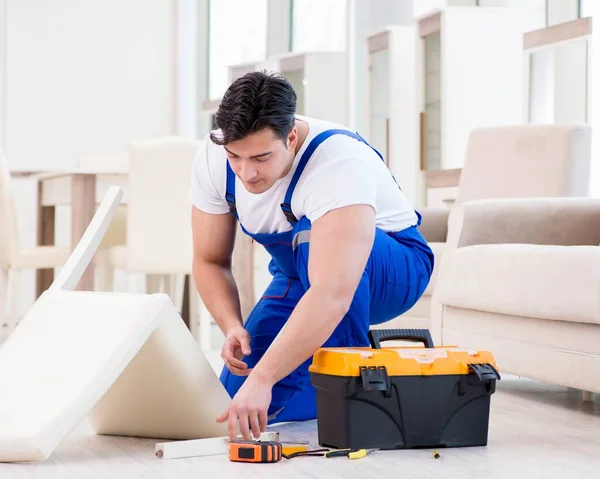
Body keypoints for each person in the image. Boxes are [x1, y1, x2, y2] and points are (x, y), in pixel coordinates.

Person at [189, 71, 434, 441]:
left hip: (394, 268)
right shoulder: (213, 156)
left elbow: (332, 292)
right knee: (234, 398)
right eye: (235, 157)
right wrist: (231, 326)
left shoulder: (337, 162)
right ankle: (322, 374)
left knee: (309, 236)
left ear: (290, 137)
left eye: (261, 157)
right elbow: (210, 260)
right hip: (301, 275)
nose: (246, 173)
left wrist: (266, 377)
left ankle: (354, 383)